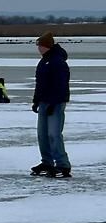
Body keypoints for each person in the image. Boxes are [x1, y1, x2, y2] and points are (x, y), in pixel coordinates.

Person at [30, 32, 71, 178]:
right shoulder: (43, 61)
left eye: (40, 45)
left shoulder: (58, 62)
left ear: (46, 46)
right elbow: (39, 84)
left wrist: (54, 103)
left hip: (56, 103)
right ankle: (47, 162)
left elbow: (61, 85)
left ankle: (62, 165)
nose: (38, 48)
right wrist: (36, 100)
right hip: (43, 102)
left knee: (53, 134)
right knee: (42, 135)